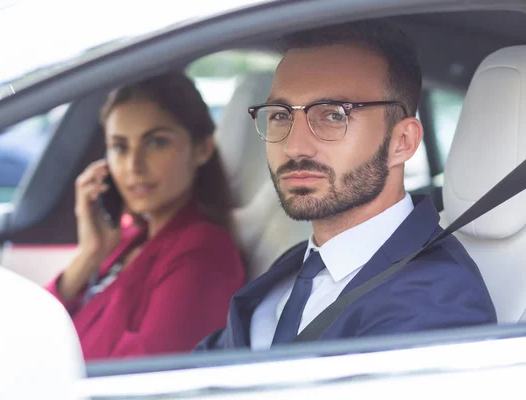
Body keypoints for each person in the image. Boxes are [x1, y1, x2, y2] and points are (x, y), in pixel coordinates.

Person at [195, 19, 496, 351]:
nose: (294, 147)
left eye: (334, 114)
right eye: (281, 115)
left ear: (403, 141)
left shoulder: (435, 303)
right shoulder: (298, 265)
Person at [45, 71, 245, 360]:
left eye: (156, 142)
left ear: (201, 150)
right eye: (119, 147)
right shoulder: (131, 238)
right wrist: (90, 253)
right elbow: (38, 331)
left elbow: (144, 381)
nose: (133, 166)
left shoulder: (202, 255)